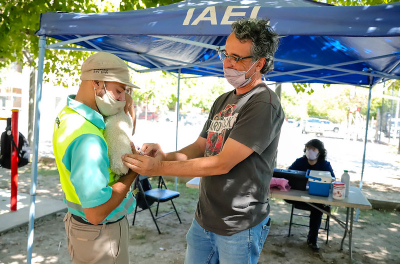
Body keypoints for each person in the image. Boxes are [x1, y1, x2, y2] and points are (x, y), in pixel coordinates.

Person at [122, 18, 284, 264]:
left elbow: (222, 163)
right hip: (205, 218)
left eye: (237, 58)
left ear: (259, 63)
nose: (227, 63)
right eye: (225, 54)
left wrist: (159, 169)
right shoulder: (223, 100)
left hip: (238, 225)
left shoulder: (263, 103)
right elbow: (201, 147)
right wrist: (164, 156)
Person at [52, 52, 139, 263]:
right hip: (101, 233)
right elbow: (96, 213)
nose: (122, 98)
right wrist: (134, 172)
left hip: (81, 228)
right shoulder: (88, 138)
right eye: (119, 91)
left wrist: (125, 103)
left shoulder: (68, 115)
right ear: (97, 83)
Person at [288, 138, 335, 251]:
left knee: (318, 209)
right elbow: (287, 174)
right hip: (298, 197)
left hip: (316, 198)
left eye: (313, 148)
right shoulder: (300, 162)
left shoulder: (325, 165)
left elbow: (332, 179)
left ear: (320, 151)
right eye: (308, 148)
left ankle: (312, 240)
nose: (310, 151)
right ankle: (322, 208)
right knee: (319, 208)